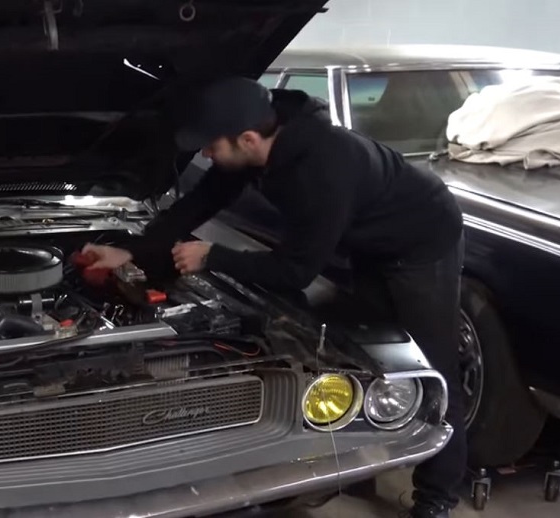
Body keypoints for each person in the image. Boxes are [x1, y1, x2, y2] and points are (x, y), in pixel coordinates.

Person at [81, 77, 467, 517]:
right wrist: (131, 250)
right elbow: (197, 204)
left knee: (427, 361)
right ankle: (369, 457)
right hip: (367, 239)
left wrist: (214, 256)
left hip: (420, 240)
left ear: (246, 139)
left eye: (210, 146)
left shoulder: (322, 168)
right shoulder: (254, 145)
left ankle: (438, 495)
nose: (206, 154)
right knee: (365, 353)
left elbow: (294, 272)